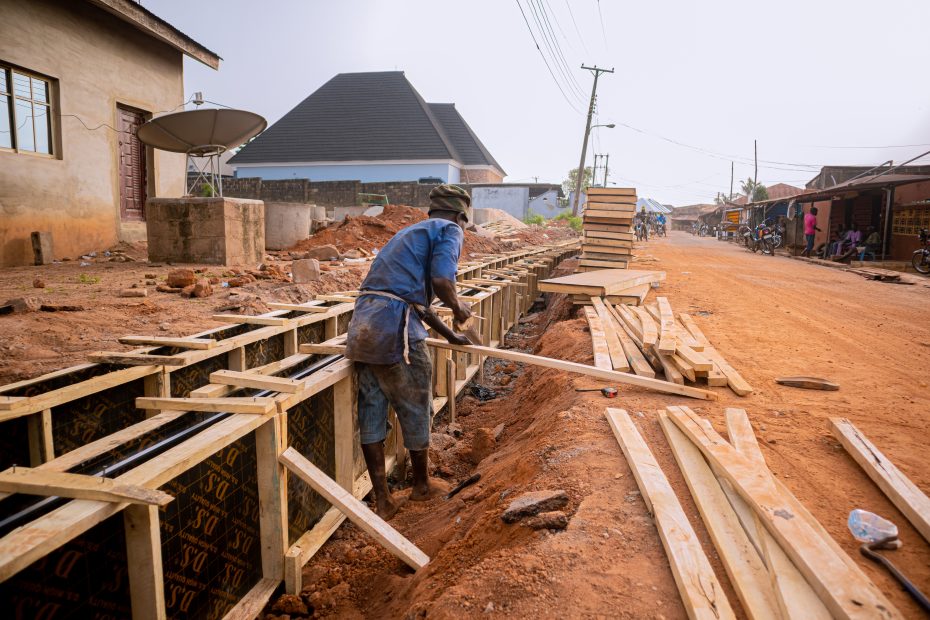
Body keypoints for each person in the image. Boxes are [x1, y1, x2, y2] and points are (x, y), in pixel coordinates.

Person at [344, 184, 473, 519]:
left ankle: (384, 500)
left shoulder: (409, 234)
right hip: (395, 331)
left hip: (363, 328)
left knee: (372, 409)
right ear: (461, 216)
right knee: (416, 404)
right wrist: (460, 312)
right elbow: (443, 283)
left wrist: (450, 337)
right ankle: (421, 486)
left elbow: (421, 306)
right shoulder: (449, 231)